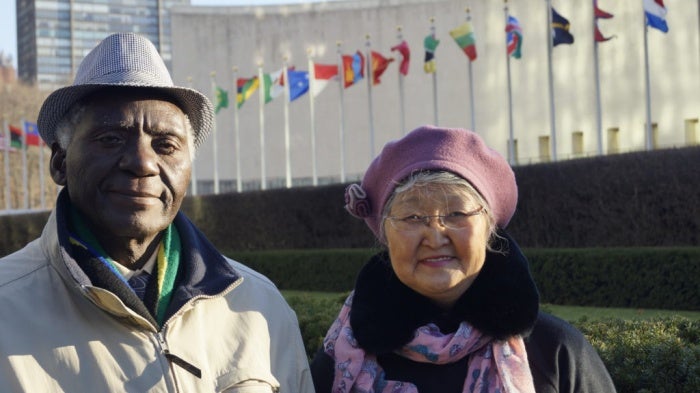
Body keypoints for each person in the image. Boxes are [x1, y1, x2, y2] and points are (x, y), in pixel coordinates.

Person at [0, 33, 314, 392]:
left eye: (166, 145)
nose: (142, 163)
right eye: (110, 139)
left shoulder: (260, 306)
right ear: (59, 162)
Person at [310, 125, 616, 392]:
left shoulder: (554, 352)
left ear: (488, 230)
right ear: (385, 235)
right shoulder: (343, 359)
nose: (435, 235)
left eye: (456, 213)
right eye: (413, 215)